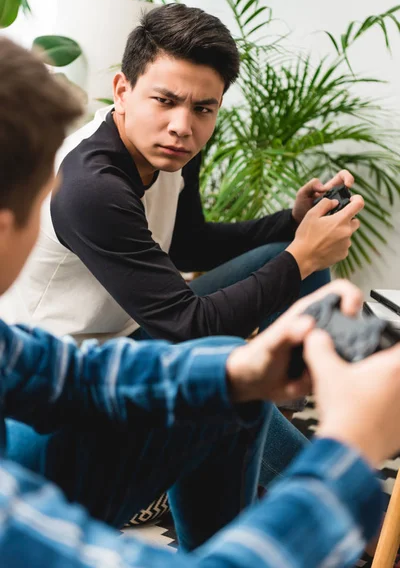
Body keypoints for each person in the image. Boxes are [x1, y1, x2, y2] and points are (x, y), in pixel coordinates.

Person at [0, 35, 399, 568]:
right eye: (164, 101)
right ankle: (371, 521)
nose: (182, 126)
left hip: (108, 349)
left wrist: (292, 226)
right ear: (122, 90)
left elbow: (187, 244)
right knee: (228, 360)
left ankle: (347, 391)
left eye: (202, 108)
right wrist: (346, 456)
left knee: (231, 382)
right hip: (47, 425)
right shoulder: (88, 186)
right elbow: (185, 327)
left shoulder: (171, 151)